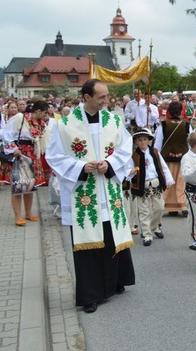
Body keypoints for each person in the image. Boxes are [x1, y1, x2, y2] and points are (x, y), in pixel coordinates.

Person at [46, 79, 135, 313]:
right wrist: (80, 168)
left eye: (107, 96)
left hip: (108, 189)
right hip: (84, 193)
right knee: (89, 245)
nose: (106, 101)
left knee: (111, 237)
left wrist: (110, 163)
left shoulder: (114, 120)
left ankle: (116, 283)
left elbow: (126, 147)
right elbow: (53, 156)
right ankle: (91, 295)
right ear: (86, 98)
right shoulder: (65, 124)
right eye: (101, 97)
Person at [1, 99, 54, 225]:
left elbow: (46, 139)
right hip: (20, 153)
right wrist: (14, 149)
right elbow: (6, 134)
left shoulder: (40, 123)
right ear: (38, 111)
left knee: (30, 186)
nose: (46, 115)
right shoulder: (20, 118)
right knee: (19, 185)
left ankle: (28, 213)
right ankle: (17, 216)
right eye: (45, 112)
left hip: (33, 154)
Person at [128, 128, 173, 246]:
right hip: (142, 185)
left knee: (160, 207)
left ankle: (155, 227)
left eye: (145, 139)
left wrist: (168, 179)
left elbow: (163, 166)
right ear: (136, 142)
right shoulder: (134, 155)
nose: (143, 142)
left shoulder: (155, 152)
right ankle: (147, 234)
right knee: (144, 211)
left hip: (156, 184)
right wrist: (130, 172)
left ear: (148, 140)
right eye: (140, 140)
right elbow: (128, 168)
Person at [155, 101, 190, 215]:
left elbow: (158, 144)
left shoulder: (164, 125)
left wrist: (157, 158)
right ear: (181, 111)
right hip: (182, 157)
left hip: (167, 158)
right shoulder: (186, 125)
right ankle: (181, 204)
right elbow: (190, 142)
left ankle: (169, 205)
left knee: (169, 181)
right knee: (181, 181)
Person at [181, 132, 196, 251]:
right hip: (192, 190)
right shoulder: (187, 157)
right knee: (194, 216)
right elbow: (185, 175)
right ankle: (192, 239)